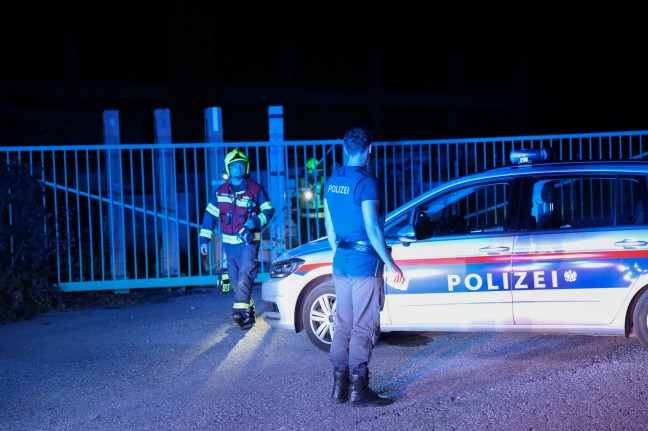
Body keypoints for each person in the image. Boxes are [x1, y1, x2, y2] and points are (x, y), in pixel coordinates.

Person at [323, 127, 404, 407]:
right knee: (363, 325)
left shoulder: (332, 180)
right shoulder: (367, 182)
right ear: (369, 150)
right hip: (363, 261)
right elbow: (372, 227)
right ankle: (359, 390)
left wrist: (339, 252)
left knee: (343, 323)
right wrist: (390, 264)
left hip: (341, 259)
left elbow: (329, 226)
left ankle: (339, 387)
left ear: (345, 149)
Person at [199, 149, 275, 330]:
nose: (238, 168)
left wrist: (256, 220)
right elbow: (210, 217)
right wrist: (204, 240)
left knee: (245, 274)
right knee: (234, 278)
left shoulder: (255, 189)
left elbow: (269, 210)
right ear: (228, 168)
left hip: (249, 243)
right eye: (234, 166)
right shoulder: (220, 192)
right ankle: (248, 313)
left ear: (246, 167)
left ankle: (239, 312)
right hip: (230, 245)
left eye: (241, 165)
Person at [299, 157, 325, 243]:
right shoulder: (302, 181)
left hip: (321, 216)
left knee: (320, 239)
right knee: (304, 240)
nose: (318, 172)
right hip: (305, 216)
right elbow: (297, 199)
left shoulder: (323, 181)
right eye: (316, 170)